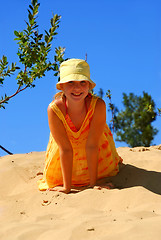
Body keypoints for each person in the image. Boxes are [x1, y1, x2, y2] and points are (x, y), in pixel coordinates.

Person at [38, 58, 122, 193]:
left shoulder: (98, 105)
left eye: (82, 82)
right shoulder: (54, 110)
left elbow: (92, 144)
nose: (77, 88)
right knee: (56, 177)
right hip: (62, 165)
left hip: (99, 162)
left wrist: (93, 184)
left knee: (105, 171)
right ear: (62, 86)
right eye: (71, 82)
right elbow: (65, 148)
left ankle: (93, 179)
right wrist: (67, 187)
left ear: (89, 86)